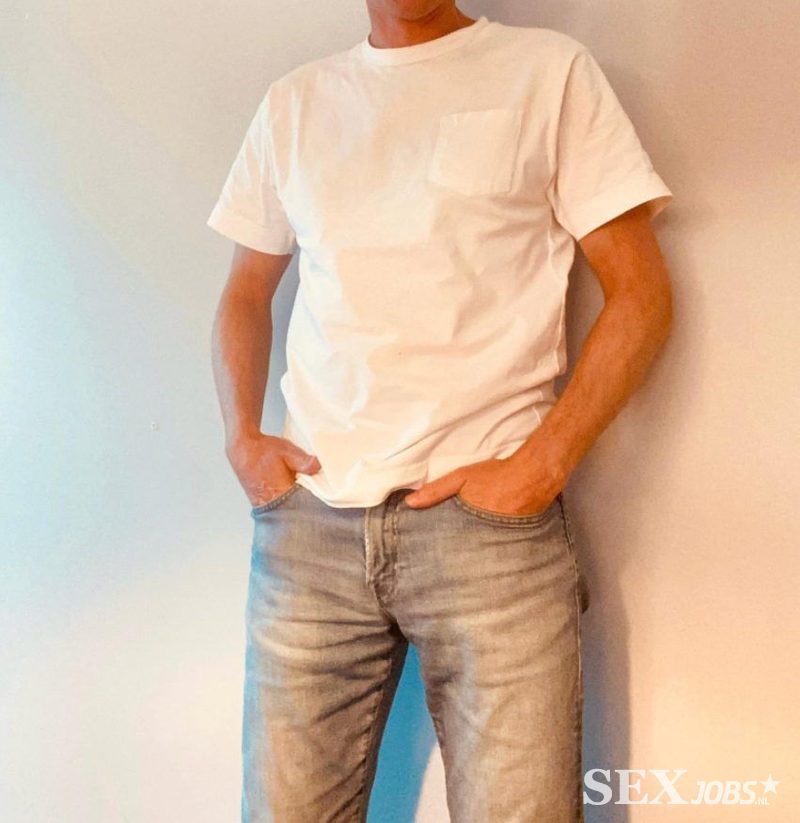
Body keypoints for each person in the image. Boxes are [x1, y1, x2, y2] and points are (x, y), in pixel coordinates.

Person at [207, 2, 674, 821]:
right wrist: (243, 438)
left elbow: (642, 293)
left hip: (488, 535)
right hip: (312, 528)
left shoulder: (547, 73)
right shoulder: (296, 102)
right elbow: (248, 291)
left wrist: (541, 466)